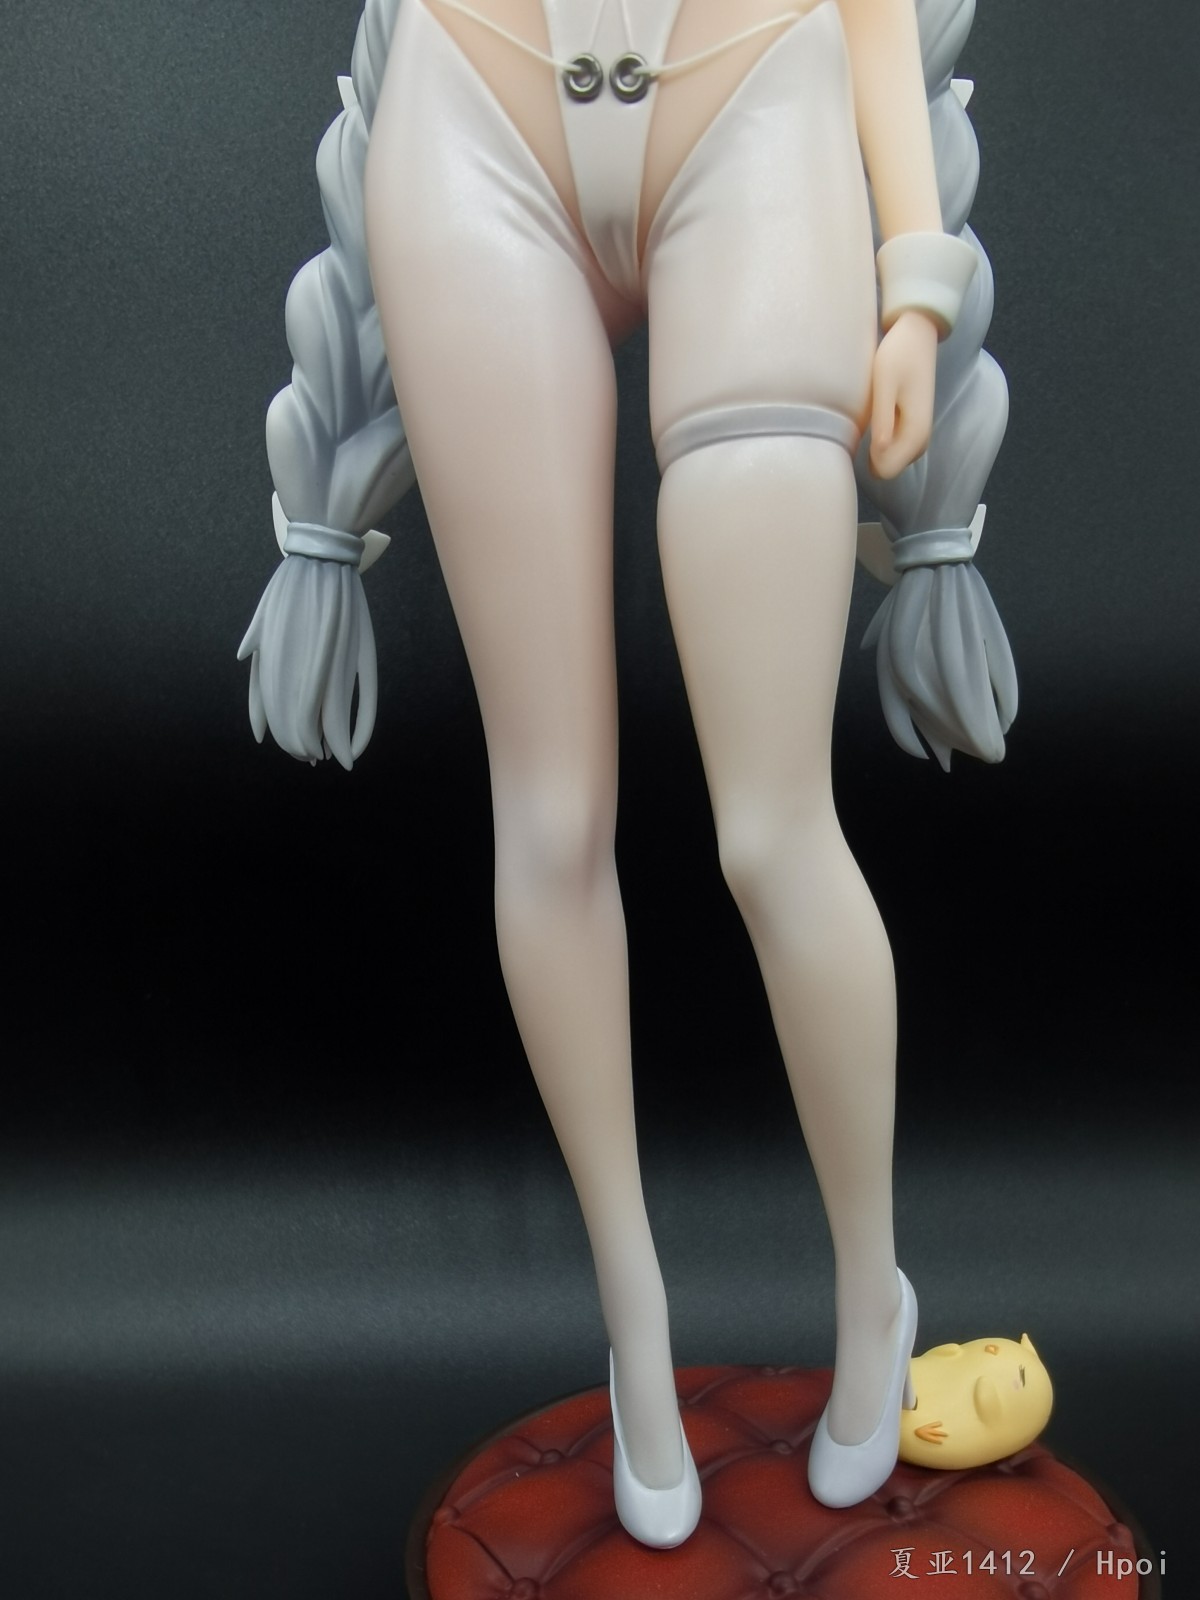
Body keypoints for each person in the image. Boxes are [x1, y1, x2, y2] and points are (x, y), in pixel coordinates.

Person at [240, 0, 1015, 1547]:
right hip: (476, 105)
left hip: (755, 79)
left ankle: (873, 1288)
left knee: (775, 828)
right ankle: (636, 1322)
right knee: (551, 817)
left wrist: (917, 282)